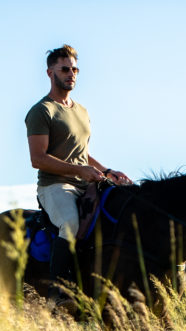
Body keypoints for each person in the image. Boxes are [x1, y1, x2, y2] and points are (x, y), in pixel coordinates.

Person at [25, 44, 131, 309]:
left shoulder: (82, 111)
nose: (71, 74)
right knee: (70, 224)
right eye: (64, 69)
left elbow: (82, 154)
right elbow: (37, 159)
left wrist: (107, 171)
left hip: (86, 183)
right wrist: (79, 171)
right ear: (50, 72)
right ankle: (58, 293)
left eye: (74, 69)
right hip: (55, 186)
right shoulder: (41, 111)